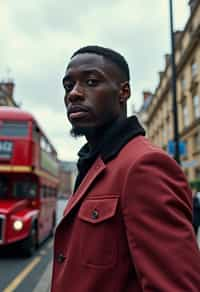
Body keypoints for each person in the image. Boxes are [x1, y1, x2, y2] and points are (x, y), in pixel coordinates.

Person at [51, 46, 200, 292]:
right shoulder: (94, 162)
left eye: (91, 81)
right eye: (68, 86)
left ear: (124, 92)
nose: (74, 94)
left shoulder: (145, 166)